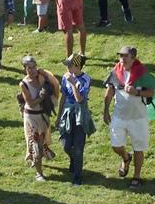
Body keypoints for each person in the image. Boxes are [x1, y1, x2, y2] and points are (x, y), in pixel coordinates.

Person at [102, 44, 149, 182]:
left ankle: (136, 177)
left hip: (138, 118)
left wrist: (137, 92)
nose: (121, 58)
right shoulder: (116, 72)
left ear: (133, 58)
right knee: (116, 146)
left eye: (125, 56)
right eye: (120, 55)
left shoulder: (142, 73)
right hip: (119, 116)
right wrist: (105, 111)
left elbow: (152, 92)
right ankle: (126, 157)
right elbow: (110, 91)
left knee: (138, 149)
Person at [16, 55, 60, 181]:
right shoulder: (23, 84)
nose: (32, 70)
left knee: (42, 139)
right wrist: (42, 96)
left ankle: (44, 149)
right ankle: (39, 173)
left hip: (43, 115)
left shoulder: (41, 77)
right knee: (36, 145)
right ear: (25, 69)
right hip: (31, 118)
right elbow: (30, 103)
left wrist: (46, 77)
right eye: (29, 68)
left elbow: (55, 84)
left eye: (34, 67)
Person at [56, 54, 94, 185]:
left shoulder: (86, 79)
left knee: (78, 146)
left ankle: (77, 176)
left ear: (77, 66)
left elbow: (80, 99)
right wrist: (58, 116)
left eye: (69, 65)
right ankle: (74, 159)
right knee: (66, 145)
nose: (67, 67)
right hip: (67, 113)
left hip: (80, 114)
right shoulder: (65, 77)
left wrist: (73, 83)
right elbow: (63, 97)